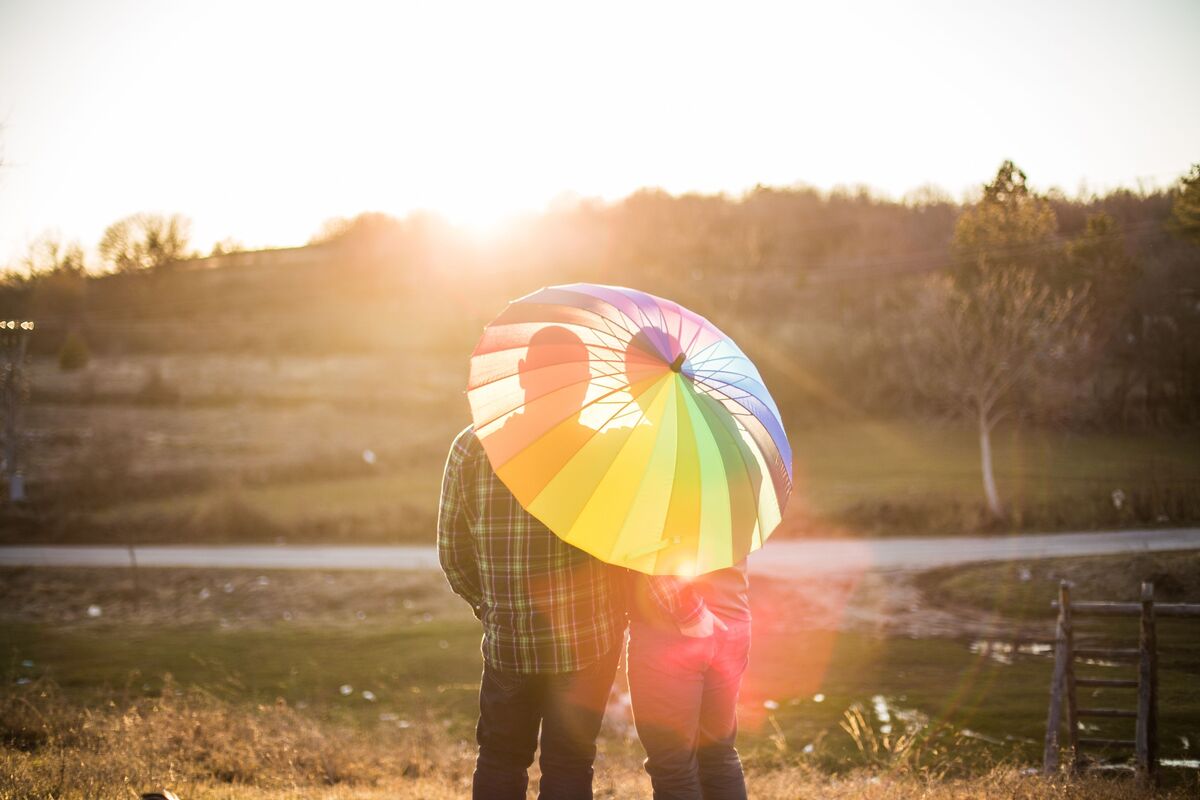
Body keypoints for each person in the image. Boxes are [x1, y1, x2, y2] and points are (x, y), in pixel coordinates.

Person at [438, 325, 625, 800]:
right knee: (569, 762)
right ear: (585, 380)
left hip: (509, 643)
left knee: (501, 758)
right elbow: (625, 550)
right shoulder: (601, 451)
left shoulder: (471, 447)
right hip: (586, 643)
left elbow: (452, 554)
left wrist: (494, 608)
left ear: (521, 373)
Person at [623, 330, 758, 800]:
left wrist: (688, 614)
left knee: (674, 766)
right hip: (733, 616)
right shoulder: (729, 434)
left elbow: (652, 549)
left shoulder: (650, 447)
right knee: (719, 753)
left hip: (675, 632)